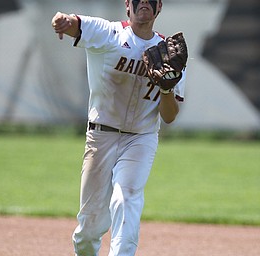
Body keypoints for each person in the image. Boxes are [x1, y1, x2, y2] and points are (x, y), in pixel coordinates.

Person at [51, 0, 186, 255]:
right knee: (89, 227)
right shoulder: (109, 33)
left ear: (159, 7)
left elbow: (169, 116)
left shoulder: (170, 53)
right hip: (101, 135)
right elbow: (75, 24)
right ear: (127, 6)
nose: (143, 2)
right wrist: (63, 21)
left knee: (127, 198)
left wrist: (166, 88)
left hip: (141, 138)